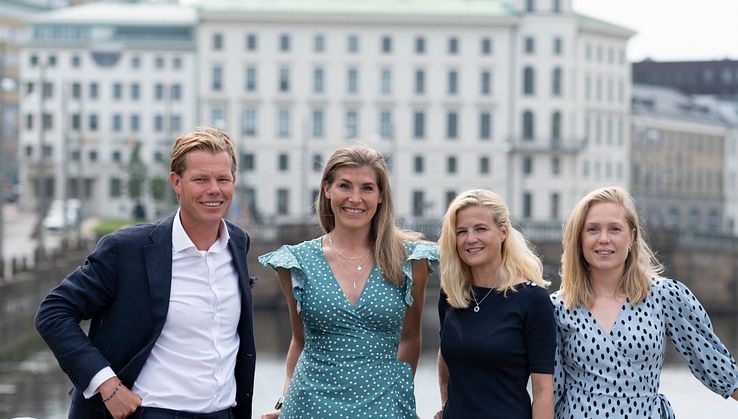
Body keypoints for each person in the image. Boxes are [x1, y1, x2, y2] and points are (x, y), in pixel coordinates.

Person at [35, 127, 256, 419]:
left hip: (222, 413)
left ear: (233, 181)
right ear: (176, 182)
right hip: (153, 412)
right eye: (200, 179)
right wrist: (107, 384)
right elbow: (53, 312)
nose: (213, 189)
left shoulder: (237, 243)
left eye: (222, 179)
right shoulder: (128, 249)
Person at [258, 143, 437, 418]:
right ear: (327, 189)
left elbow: (411, 338)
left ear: (380, 196)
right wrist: (282, 402)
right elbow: (300, 341)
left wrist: (397, 395)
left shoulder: (410, 261)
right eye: (345, 186)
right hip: (308, 407)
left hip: (383, 408)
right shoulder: (297, 262)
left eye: (367, 188)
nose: (355, 198)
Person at [552, 185, 738, 418]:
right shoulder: (558, 308)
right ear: (580, 239)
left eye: (615, 229)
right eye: (592, 229)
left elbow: (715, 365)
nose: (604, 239)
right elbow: (551, 390)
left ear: (632, 236)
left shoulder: (665, 296)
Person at [436, 189, 555, 419]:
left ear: (503, 232)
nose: (470, 239)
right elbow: (445, 356)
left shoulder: (532, 299)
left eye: (480, 229)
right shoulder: (451, 292)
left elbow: (542, 391)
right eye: (462, 231)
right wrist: (446, 405)